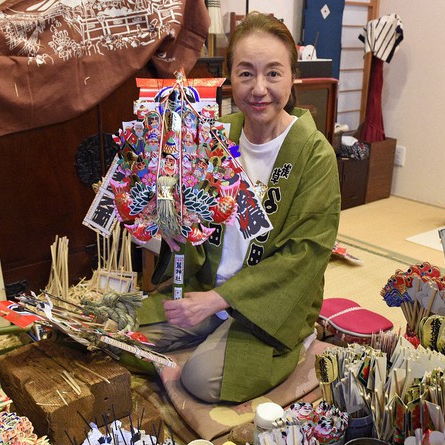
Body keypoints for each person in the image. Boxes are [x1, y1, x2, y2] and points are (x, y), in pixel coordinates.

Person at [138, 12, 340, 403]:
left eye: (274, 74)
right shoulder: (218, 134)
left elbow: (305, 255)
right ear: (230, 77)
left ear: (293, 78)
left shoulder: (314, 155)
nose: (259, 89)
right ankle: (210, 330)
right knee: (125, 337)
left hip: (267, 306)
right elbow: (189, 205)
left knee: (199, 379)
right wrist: (172, 223)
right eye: (246, 74)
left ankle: (297, 343)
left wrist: (219, 300)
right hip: (205, 283)